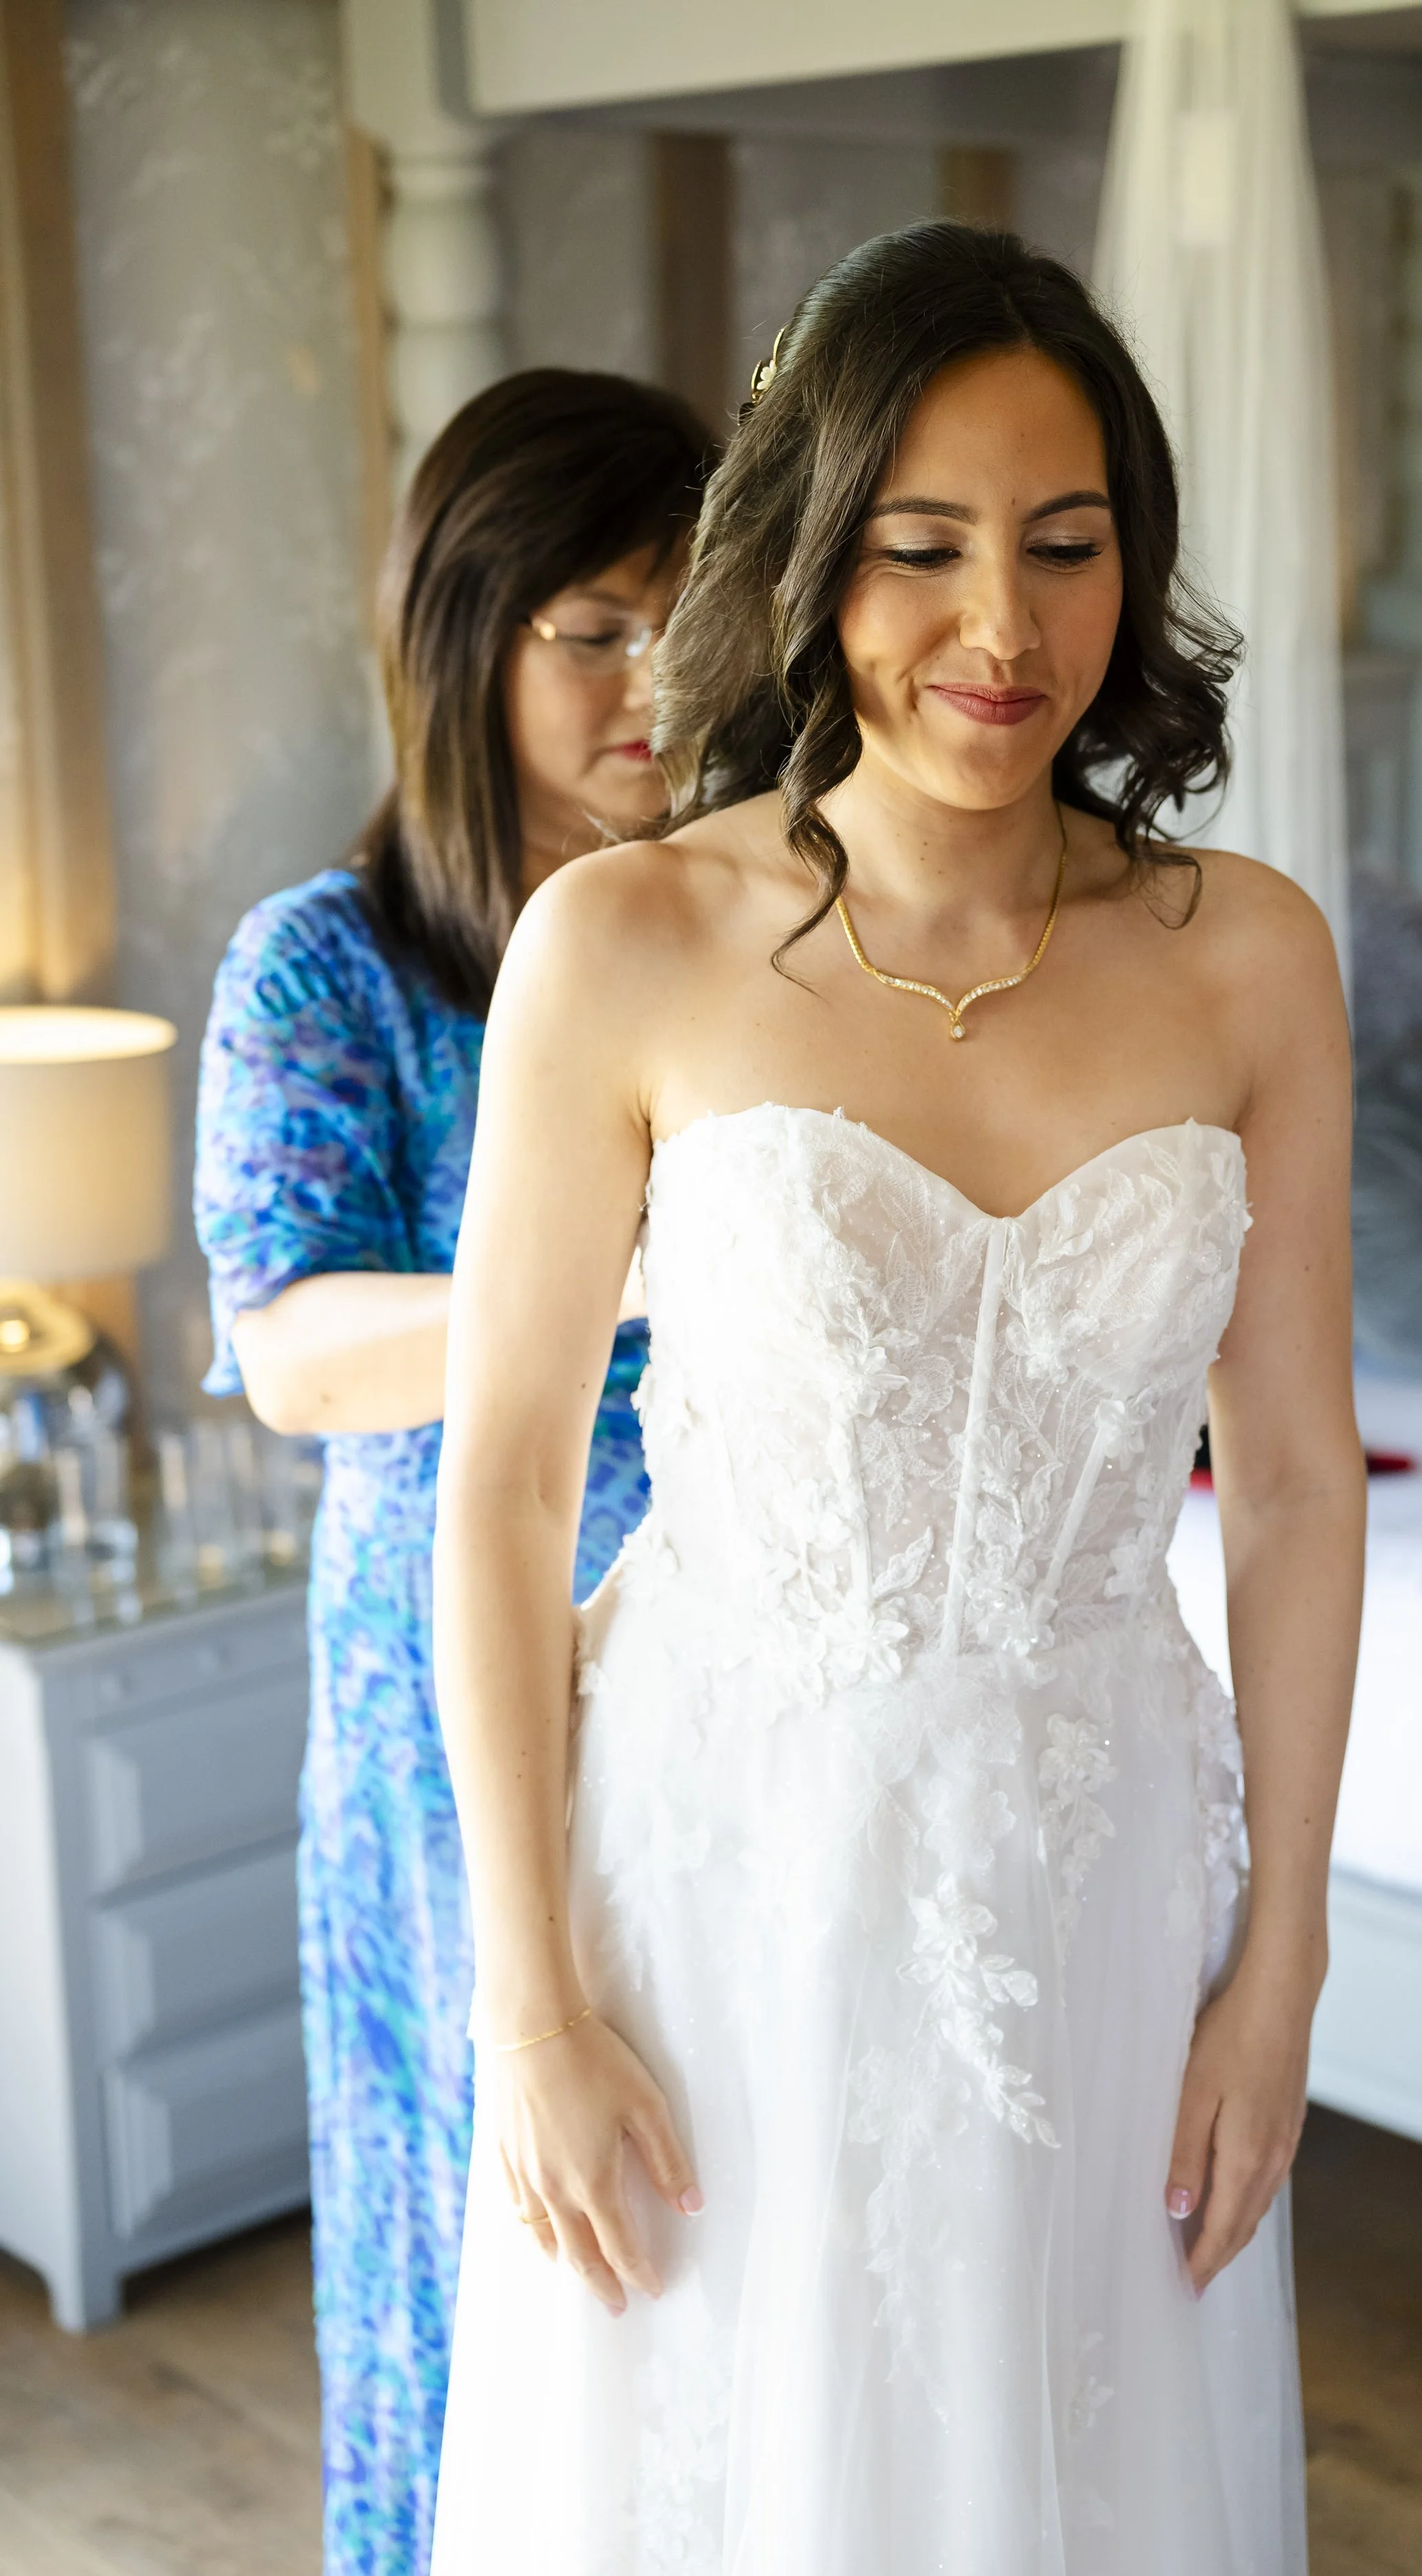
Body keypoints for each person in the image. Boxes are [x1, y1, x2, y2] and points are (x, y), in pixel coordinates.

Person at [429, 228, 1364, 2575]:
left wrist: (1283, 1966)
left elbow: (1292, 1496)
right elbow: (508, 1486)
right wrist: (529, 1998)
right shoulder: (625, 945)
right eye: (919, 550)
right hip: (723, 1878)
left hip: (1109, 1873)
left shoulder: (1242, 956)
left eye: (1065, 549)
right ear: (811, 557)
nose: (1004, 634)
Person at [193, 368, 714, 2576]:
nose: (650, 688)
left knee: (707, 2241)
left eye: (687, 627)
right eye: (591, 629)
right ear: (466, 633)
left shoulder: (740, 930)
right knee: (478, 2241)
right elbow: (290, 1352)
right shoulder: (326, 967)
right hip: (447, 1718)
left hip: (723, 1679)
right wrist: (603, 1271)